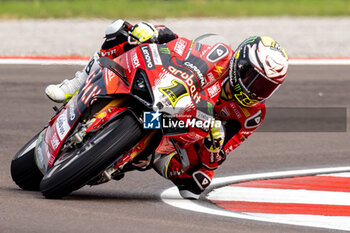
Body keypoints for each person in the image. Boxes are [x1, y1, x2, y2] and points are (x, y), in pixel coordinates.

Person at [45, 19, 288, 199]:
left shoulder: (252, 116)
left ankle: (129, 156)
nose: (256, 91)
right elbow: (179, 44)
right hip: (169, 90)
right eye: (253, 79)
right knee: (122, 31)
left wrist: (214, 147)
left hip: (182, 135)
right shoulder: (220, 53)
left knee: (196, 184)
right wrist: (153, 31)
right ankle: (77, 83)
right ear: (240, 63)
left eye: (267, 87)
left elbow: (216, 159)